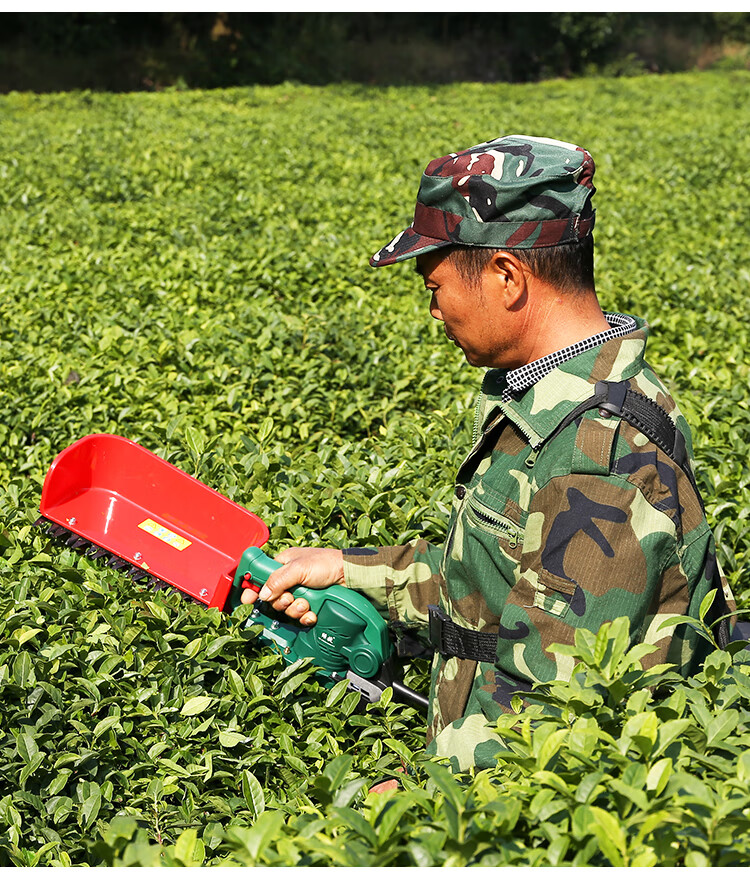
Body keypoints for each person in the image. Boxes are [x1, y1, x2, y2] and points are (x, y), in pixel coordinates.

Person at [241, 134, 735, 772]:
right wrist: (346, 568)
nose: (433, 310)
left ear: (507, 275)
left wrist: (414, 805)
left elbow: (555, 726)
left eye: (436, 283)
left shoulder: (598, 458)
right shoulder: (564, 396)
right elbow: (503, 583)